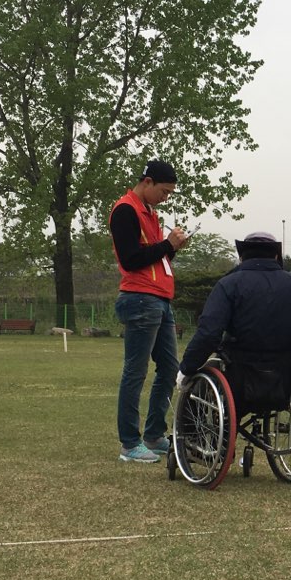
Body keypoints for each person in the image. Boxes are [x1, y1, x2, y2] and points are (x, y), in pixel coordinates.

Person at [177, 232, 291, 413]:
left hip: (236, 368)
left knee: (197, 380)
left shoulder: (228, 284)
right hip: (281, 371)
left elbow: (208, 334)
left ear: (242, 257)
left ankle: (189, 436)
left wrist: (187, 368)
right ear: (276, 256)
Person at [110, 160, 189, 464]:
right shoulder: (126, 210)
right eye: (165, 191)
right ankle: (129, 444)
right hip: (140, 298)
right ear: (148, 181)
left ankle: (154, 435)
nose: (166, 197)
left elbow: (155, 258)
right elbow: (131, 259)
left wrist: (172, 247)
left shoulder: (150, 214)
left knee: (170, 369)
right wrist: (166, 244)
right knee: (136, 371)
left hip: (159, 299)